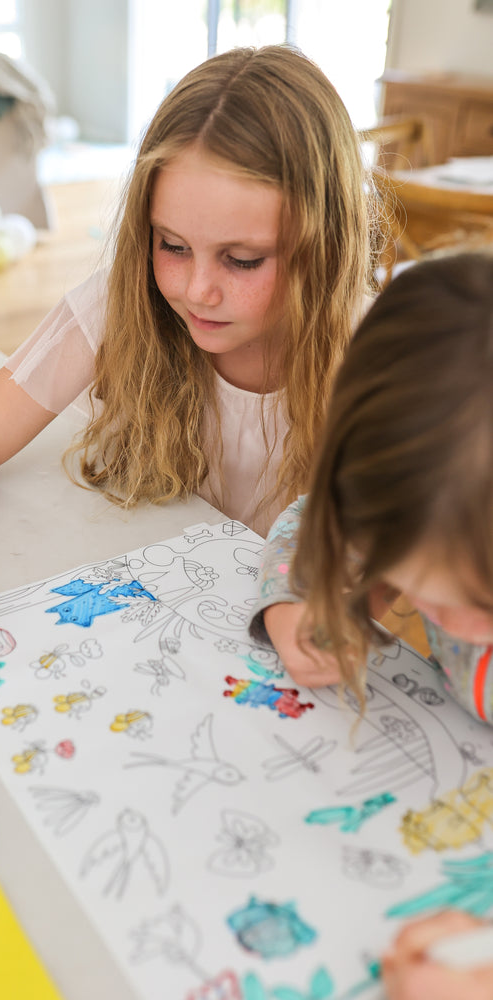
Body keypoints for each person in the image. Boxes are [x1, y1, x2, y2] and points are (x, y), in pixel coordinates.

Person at [0, 44, 376, 651]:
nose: (196, 291)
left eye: (242, 260)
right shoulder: (121, 304)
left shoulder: (375, 354)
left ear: (325, 244)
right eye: (172, 245)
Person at [249, 252, 493, 1000]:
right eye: (419, 588)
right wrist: (297, 606)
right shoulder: (433, 482)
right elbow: (307, 527)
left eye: (481, 603)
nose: (449, 622)